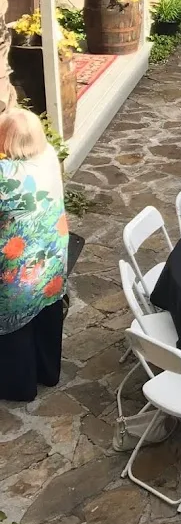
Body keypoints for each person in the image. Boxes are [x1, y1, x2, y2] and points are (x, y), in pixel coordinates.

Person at [0, 109, 68, 402]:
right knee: (47, 315)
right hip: (51, 257)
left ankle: (21, 388)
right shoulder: (48, 156)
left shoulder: (5, 176)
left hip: (19, 270)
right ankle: (49, 373)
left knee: (15, 326)